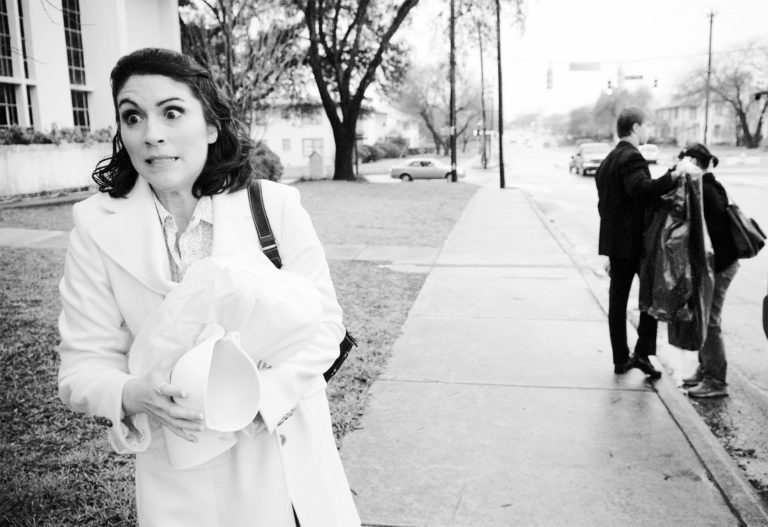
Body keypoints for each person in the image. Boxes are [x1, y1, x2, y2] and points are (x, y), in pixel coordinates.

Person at [56, 48, 360, 526]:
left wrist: (263, 397)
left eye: (172, 112)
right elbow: (82, 365)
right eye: (132, 116)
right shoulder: (95, 226)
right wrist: (134, 392)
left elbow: (326, 326)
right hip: (180, 468)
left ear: (211, 125)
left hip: (281, 450)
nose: (151, 134)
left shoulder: (274, 207)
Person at [595, 107, 677, 378]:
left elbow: (605, 205)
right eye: (646, 126)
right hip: (635, 245)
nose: (648, 131)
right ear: (635, 128)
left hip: (615, 244)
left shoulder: (608, 160)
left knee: (617, 302)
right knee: (650, 299)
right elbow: (642, 190)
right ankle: (642, 354)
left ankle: (621, 358)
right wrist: (673, 178)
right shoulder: (631, 157)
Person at [677, 143, 739, 398]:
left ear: (692, 163)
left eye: (683, 162)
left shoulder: (706, 192)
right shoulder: (706, 185)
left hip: (721, 266)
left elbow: (708, 241)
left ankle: (717, 380)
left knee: (711, 321)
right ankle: (705, 370)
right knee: (704, 318)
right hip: (717, 265)